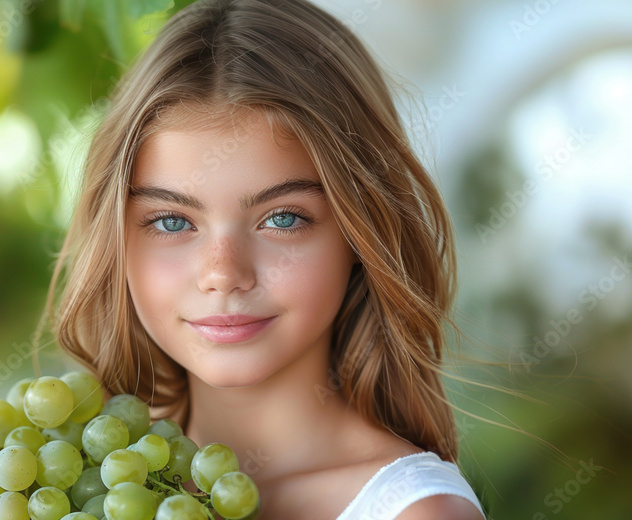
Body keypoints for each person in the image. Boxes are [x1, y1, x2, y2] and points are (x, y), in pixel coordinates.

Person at [32, 0, 487, 518]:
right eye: (172, 221)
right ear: (116, 239)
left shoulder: (416, 513)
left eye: (283, 219)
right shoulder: (83, 488)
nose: (224, 273)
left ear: (361, 235)